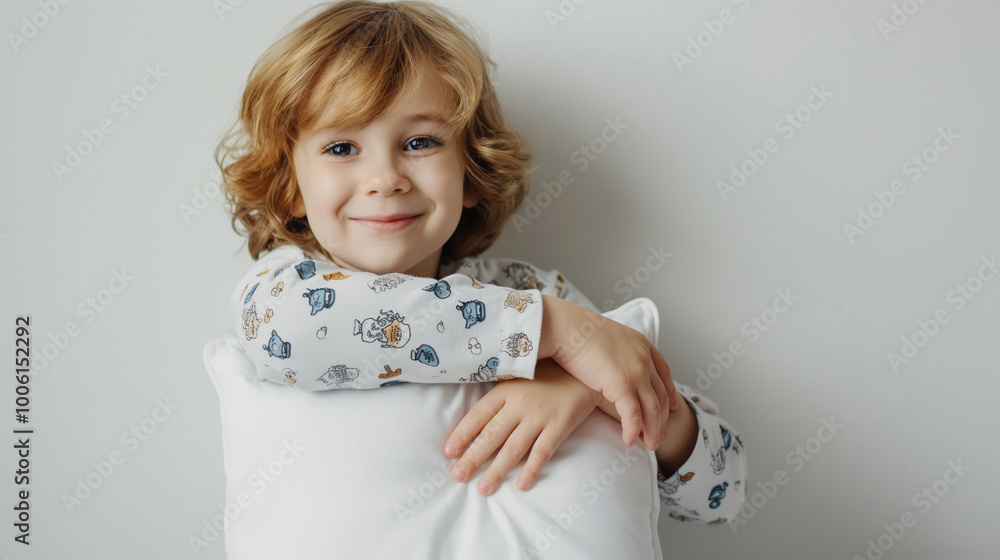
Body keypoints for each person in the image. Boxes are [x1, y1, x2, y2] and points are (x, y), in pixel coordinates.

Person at [216, 0, 746, 524]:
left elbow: (721, 493)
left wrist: (587, 386)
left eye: (419, 142)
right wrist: (559, 333)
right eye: (341, 148)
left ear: (470, 172)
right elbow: (302, 332)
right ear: (289, 188)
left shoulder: (530, 287)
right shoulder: (282, 290)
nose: (385, 177)